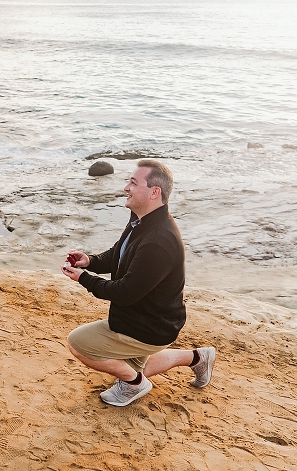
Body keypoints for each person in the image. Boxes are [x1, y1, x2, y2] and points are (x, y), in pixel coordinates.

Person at [61, 159, 214, 406]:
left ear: (155, 192)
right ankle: (199, 358)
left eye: (133, 182)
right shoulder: (141, 220)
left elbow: (125, 293)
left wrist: (84, 279)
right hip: (146, 317)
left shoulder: (158, 241)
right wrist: (90, 261)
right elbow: (118, 254)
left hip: (149, 326)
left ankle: (135, 385)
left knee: (78, 343)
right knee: (135, 364)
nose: (125, 188)